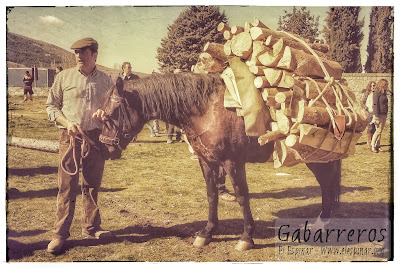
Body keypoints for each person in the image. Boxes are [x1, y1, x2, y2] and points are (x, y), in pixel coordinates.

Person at [45, 37, 114, 254]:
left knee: (92, 185)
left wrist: (105, 114)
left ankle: (92, 227)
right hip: (70, 138)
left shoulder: (106, 80)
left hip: (95, 138)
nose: (78, 56)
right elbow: (51, 107)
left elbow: (114, 109)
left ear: (95, 55)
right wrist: (67, 123)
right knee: (67, 187)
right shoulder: (63, 77)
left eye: (83, 52)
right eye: (76, 52)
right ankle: (60, 234)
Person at [370, 79, 389, 153]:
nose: (387, 86)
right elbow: (375, 104)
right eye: (385, 84)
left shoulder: (384, 93)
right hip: (378, 114)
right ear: (382, 84)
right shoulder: (376, 92)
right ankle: (373, 145)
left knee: (380, 131)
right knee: (378, 130)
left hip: (384, 114)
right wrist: (376, 115)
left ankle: (378, 145)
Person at [361, 80, 376, 149]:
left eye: (375, 85)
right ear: (370, 86)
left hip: (375, 113)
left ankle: (373, 142)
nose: (374, 87)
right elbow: (362, 102)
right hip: (369, 113)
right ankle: (369, 142)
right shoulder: (367, 93)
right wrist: (366, 108)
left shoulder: (376, 93)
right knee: (370, 127)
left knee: (374, 128)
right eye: (373, 85)